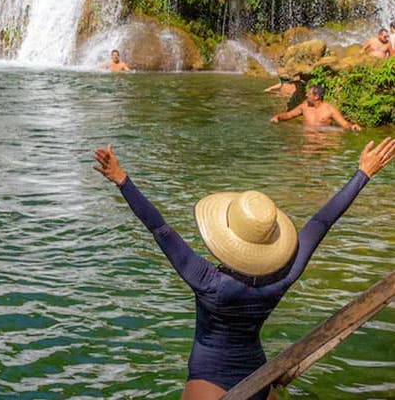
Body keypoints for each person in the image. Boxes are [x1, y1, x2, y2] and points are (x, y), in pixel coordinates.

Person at [93, 138, 395, 399]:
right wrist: (363, 174)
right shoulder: (284, 276)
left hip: (208, 380)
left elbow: (159, 228)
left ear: (228, 234)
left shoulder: (208, 281)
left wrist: (122, 180)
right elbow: (321, 222)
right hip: (258, 377)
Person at [270, 85, 361, 131]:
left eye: (309, 94)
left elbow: (344, 124)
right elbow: (289, 115)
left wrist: (352, 126)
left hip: (322, 140)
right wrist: (278, 117)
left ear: (316, 97)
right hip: (307, 140)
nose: (306, 95)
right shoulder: (304, 106)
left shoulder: (330, 109)